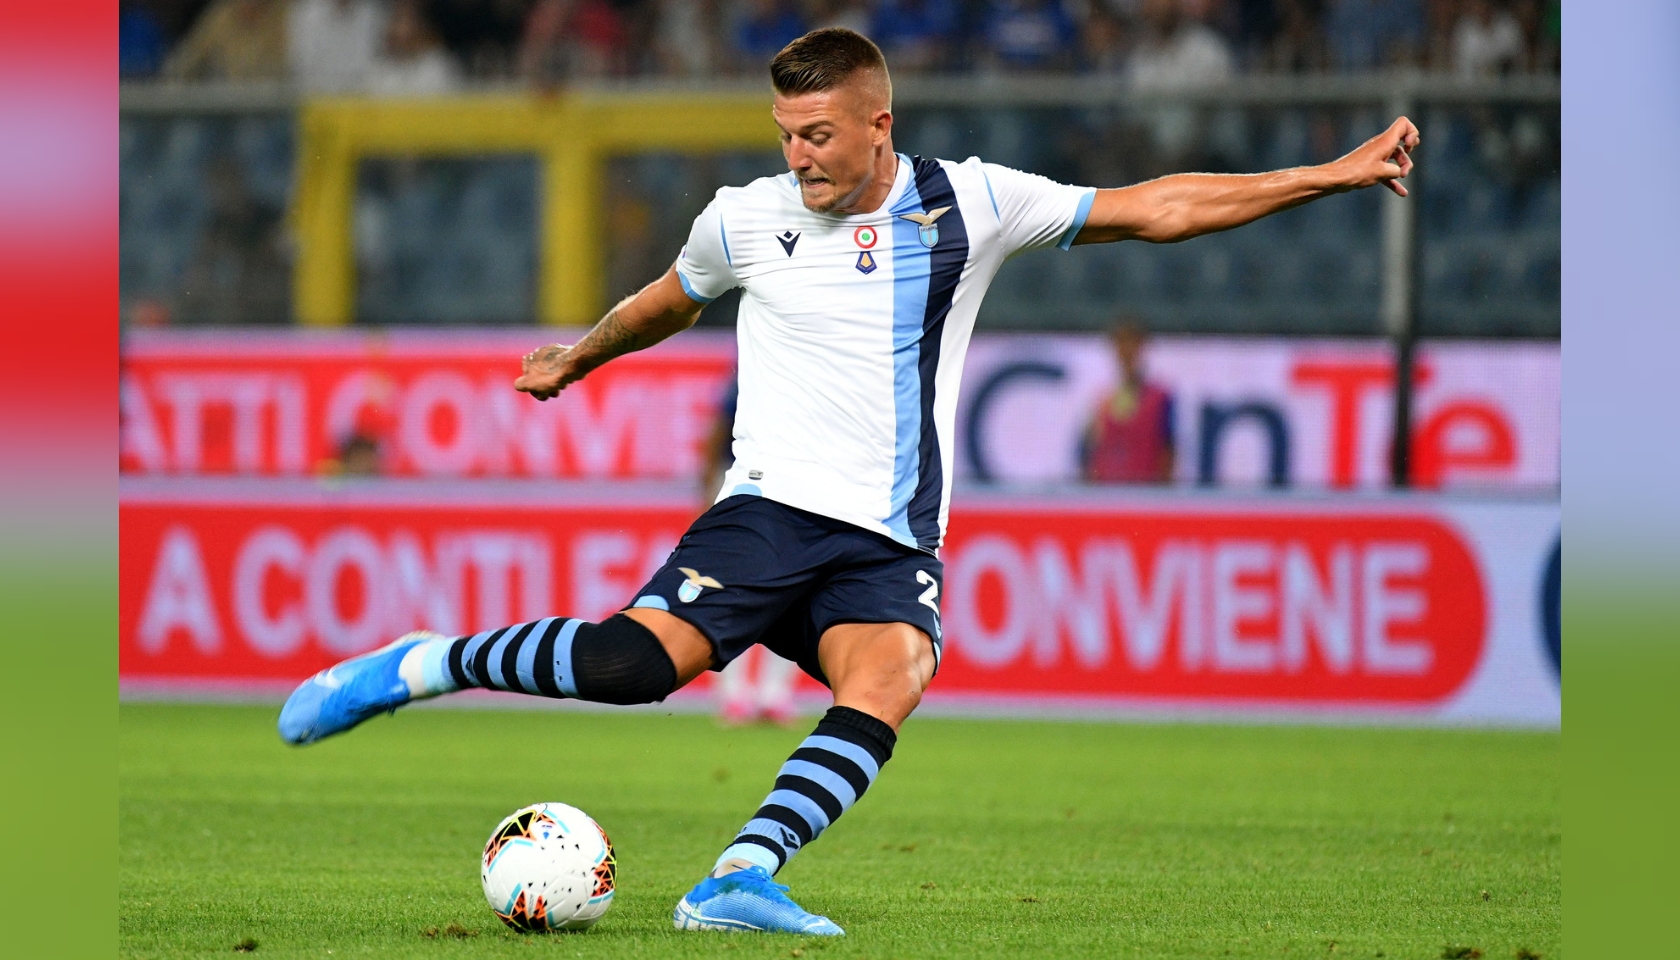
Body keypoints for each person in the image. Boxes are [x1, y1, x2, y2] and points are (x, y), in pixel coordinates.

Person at [278, 27, 1420, 936]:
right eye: (785, 135)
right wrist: (582, 354)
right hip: (767, 516)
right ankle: (417, 663)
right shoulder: (745, 219)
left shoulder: (968, 204)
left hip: (888, 543)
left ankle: (737, 875)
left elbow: (1158, 206)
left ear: (881, 124)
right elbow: (670, 298)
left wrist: (1331, 173)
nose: (799, 158)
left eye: (819, 134)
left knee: (897, 668)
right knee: (631, 669)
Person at [701, 373, 801, 725]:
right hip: (742, 479)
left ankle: (774, 695)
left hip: (797, 483)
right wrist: (708, 489)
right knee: (733, 587)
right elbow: (718, 429)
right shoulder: (753, 369)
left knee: (796, 588)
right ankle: (734, 695)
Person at [1080, 321, 1176, 484]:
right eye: (1121, 342)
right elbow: (1091, 449)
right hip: (1107, 490)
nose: (1126, 349)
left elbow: (1167, 449)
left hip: (1145, 491)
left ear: (1141, 346)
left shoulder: (1160, 398)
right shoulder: (1104, 398)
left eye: (1132, 342)